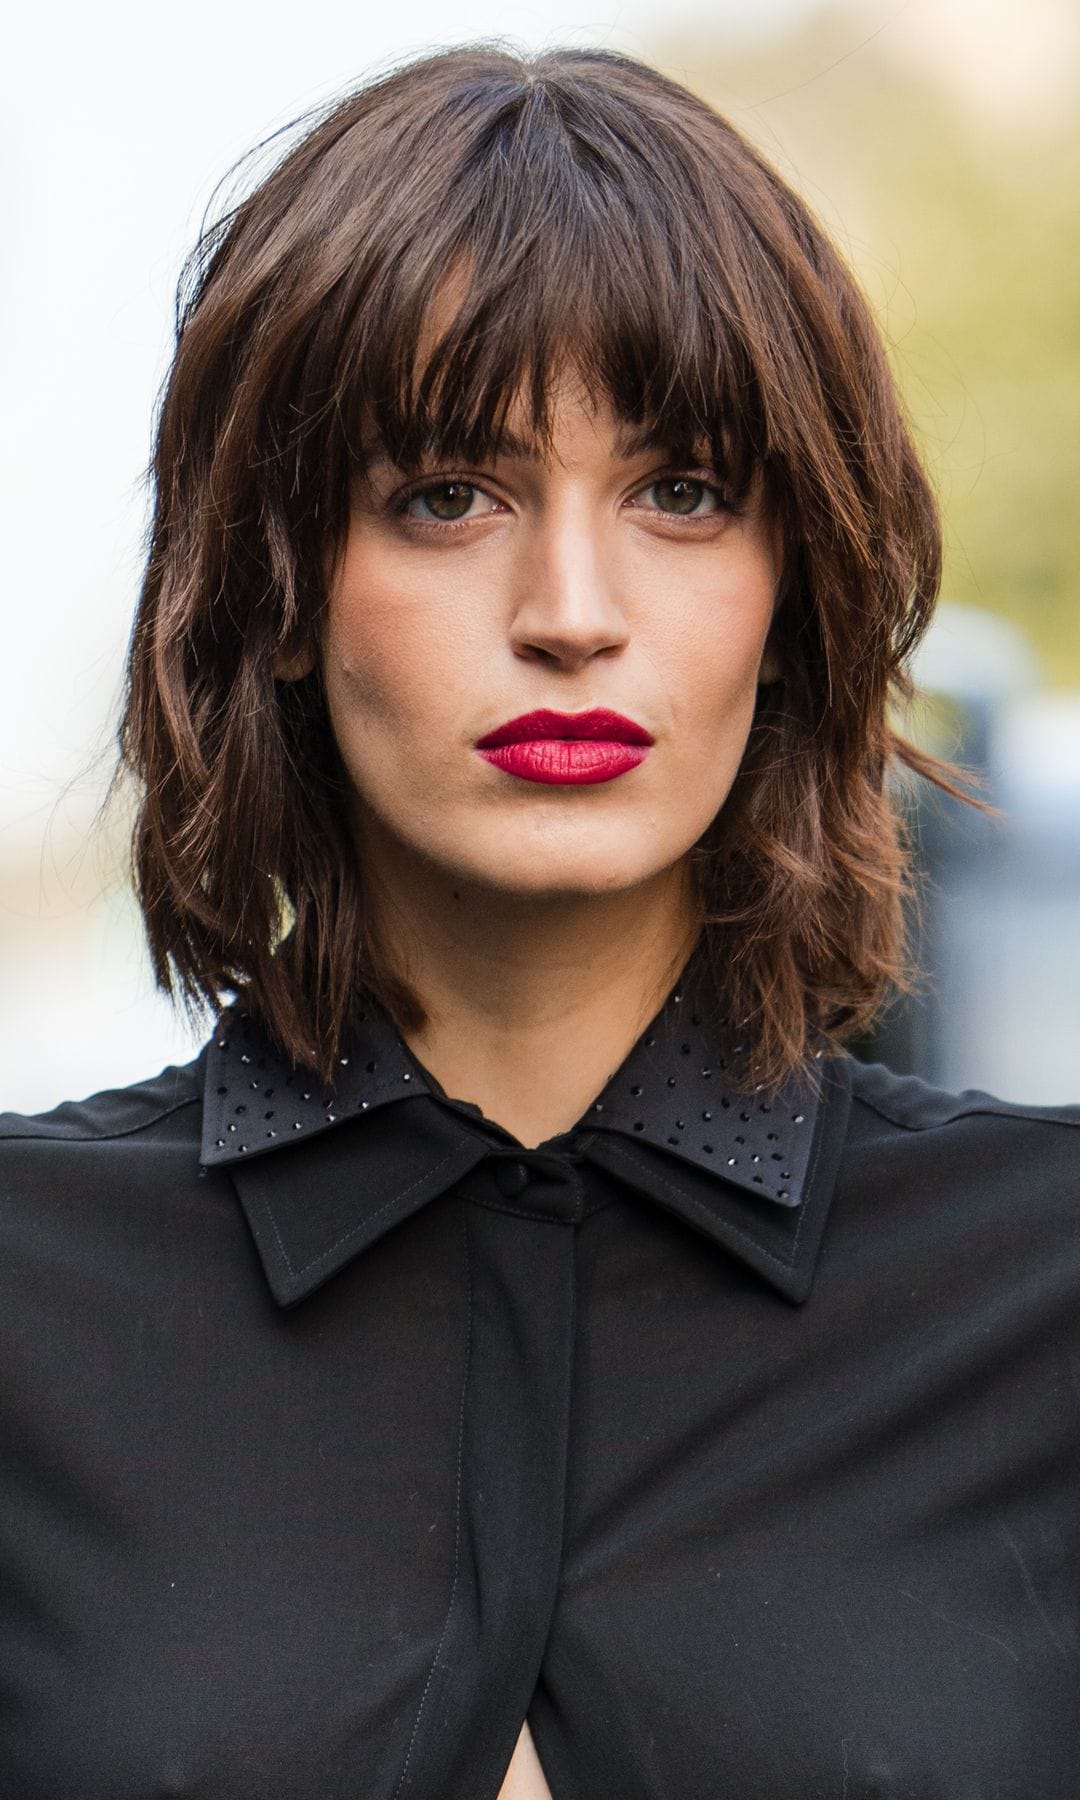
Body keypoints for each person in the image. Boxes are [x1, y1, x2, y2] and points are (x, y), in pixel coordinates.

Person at [1, 41, 1078, 1800]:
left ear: (792, 594)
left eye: (682, 493)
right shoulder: (26, 1304)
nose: (571, 612)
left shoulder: (1043, 1288)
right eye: (447, 496)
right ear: (280, 589)